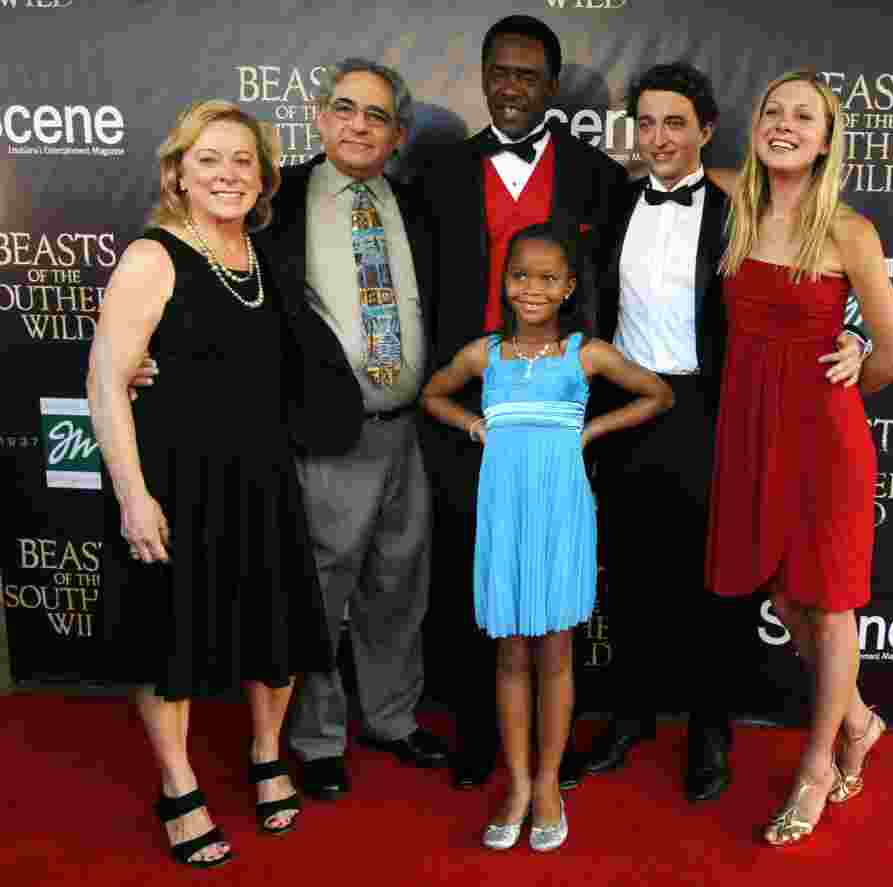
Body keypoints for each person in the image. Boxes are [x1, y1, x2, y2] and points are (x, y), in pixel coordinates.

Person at [129, 60, 448, 799]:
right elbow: (201, 278)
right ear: (321, 117)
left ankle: (393, 719)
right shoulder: (275, 201)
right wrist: (143, 352)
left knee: (399, 585)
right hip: (325, 432)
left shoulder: (419, 205)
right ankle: (317, 739)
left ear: (398, 133)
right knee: (320, 593)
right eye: (346, 109)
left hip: (412, 429)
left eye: (376, 115)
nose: (359, 125)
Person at [582, 62, 868, 803]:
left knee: (718, 582)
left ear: (707, 131)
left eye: (675, 123)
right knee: (632, 574)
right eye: (646, 124)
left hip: (714, 408)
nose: (658, 138)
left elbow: (813, 284)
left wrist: (856, 339)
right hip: (626, 405)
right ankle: (629, 717)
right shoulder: (613, 202)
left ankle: (711, 731)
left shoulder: (739, 205)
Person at [87, 100, 332, 868]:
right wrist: (133, 496)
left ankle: (266, 754)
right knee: (172, 636)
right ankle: (178, 784)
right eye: (210, 159)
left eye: (243, 160)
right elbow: (105, 381)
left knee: (275, 630)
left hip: (261, 475)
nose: (228, 174)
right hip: (174, 480)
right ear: (179, 173)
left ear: (262, 177)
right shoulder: (152, 256)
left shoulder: (262, 254)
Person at [416, 14, 628, 791]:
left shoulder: (597, 175)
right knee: (473, 562)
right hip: (470, 393)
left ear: (552, 85)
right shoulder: (436, 172)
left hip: (558, 400)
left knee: (555, 573)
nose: (511, 87)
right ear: (482, 75)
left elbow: (613, 291)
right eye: (499, 72)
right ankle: (481, 731)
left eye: (527, 75)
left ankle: (554, 742)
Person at [704, 70, 893, 845]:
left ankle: (818, 766)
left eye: (803, 117)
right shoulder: (733, 200)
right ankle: (860, 720)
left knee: (827, 604)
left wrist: (847, 370)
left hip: (824, 439)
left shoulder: (850, 231)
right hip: (750, 430)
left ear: (827, 141)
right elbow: (664, 161)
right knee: (783, 592)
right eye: (772, 111)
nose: (784, 124)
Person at [421, 223, 673, 851]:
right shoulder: (485, 355)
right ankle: (515, 785)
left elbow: (659, 394)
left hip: (561, 510)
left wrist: (590, 431)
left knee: (556, 652)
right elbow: (432, 394)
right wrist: (475, 425)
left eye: (547, 278)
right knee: (510, 653)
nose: (531, 288)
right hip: (504, 512)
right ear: (504, 283)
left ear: (568, 288)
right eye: (520, 276)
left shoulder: (584, 354)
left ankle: (548, 785)